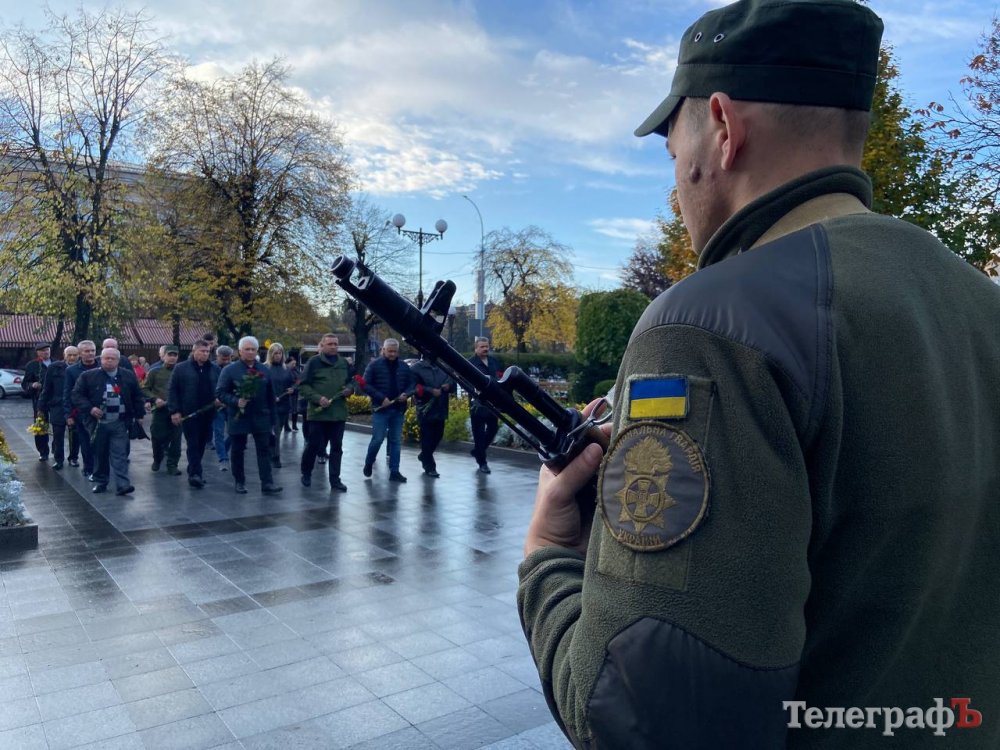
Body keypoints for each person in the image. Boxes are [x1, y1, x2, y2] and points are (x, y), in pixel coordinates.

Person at [517, 1, 1000, 748]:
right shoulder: (977, 299)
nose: (677, 183)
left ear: (721, 126)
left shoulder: (707, 325)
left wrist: (547, 559)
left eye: (672, 150)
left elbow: (647, 721)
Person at [71, 347, 144, 495]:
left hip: (120, 422)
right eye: (106, 358)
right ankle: (101, 482)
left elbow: (137, 396)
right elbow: (76, 395)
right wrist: (90, 408)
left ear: (118, 360)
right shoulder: (88, 376)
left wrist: (140, 414)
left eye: (112, 358)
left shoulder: (128, 375)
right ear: (100, 359)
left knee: (120, 453)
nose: (109, 361)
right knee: (100, 453)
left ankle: (123, 484)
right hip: (98, 423)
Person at [216, 336, 282, 495]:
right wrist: (236, 401)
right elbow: (220, 392)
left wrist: (273, 418)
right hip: (239, 416)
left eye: (253, 349)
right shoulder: (229, 370)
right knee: (238, 450)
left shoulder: (264, 369)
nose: (250, 352)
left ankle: (267, 483)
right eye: (247, 349)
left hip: (261, 416)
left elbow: (270, 395)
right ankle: (239, 481)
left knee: (264, 450)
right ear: (240, 351)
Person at [298, 334, 353, 492]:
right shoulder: (313, 362)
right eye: (330, 344)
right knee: (314, 445)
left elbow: (352, 381)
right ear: (322, 346)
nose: (334, 347)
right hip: (319, 413)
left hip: (338, 413)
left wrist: (350, 389)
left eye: (336, 344)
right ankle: (306, 473)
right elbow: (303, 385)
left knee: (337, 447)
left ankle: (335, 480)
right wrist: (317, 398)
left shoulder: (343, 363)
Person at [168, 339, 220, 489]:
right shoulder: (181, 368)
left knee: (202, 443)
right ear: (194, 351)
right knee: (193, 443)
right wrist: (174, 411)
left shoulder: (214, 369)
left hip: (208, 412)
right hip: (189, 413)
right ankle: (195, 474)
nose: (205, 354)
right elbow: (173, 390)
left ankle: (193, 468)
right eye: (202, 351)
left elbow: (220, 387)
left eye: (207, 351)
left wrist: (220, 399)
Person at [361, 338, 413, 482]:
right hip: (381, 409)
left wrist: (407, 394)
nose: (392, 354)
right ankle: (369, 462)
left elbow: (412, 384)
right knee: (377, 439)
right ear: (383, 350)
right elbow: (365, 385)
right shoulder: (374, 365)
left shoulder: (404, 366)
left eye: (395, 351)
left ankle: (394, 471)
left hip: (398, 408)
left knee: (396, 440)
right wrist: (381, 398)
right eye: (389, 351)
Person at [410, 355, 453, 478]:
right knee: (427, 438)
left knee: (438, 434)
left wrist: (449, 387)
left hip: (440, 407)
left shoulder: (443, 367)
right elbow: (413, 387)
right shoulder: (416, 368)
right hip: (425, 409)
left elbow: (452, 384)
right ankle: (429, 466)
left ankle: (424, 455)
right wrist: (430, 390)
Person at [142, 346, 182, 475]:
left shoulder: (181, 372)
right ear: (163, 356)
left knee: (176, 439)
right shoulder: (154, 372)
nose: (172, 357)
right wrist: (154, 399)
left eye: (175, 355)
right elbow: (145, 388)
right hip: (160, 410)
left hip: (177, 410)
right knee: (157, 436)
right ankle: (157, 459)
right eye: (170, 355)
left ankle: (172, 465)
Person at [38, 345, 77, 470]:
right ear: (64, 355)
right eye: (69, 355)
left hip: (74, 406)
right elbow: (46, 388)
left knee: (74, 435)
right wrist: (41, 407)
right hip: (57, 405)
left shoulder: (80, 369)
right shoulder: (54, 367)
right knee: (58, 434)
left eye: (75, 355)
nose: (72, 357)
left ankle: (73, 458)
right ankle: (59, 459)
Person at [64, 340, 100, 477]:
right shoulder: (71, 371)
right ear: (80, 353)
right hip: (81, 412)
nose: (90, 353)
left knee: (101, 441)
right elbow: (67, 393)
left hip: (101, 411)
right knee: (85, 442)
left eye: (93, 350)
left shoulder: (102, 366)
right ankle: (88, 467)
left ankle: (101, 467)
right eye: (87, 351)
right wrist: (68, 415)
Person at [467, 337, 502, 474]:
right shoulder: (470, 363)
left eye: (486, 346)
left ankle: (478, 451)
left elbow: (499, 377)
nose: (485, 349)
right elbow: (465, 380)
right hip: (477, 403)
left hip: (492, 402)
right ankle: (482, 462)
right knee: (479, 434)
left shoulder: (493, 361)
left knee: (493, 428)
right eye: (482, 347)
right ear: (476, 348)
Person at [264, 342, 295, 468]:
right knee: (272, 432)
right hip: (268, 407)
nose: (277, 355)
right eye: (275, 353)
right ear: (270, 354)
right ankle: (274, 456)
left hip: (283, 405)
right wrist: (271, 397)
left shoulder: (286, 369)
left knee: (277, 431)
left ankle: (273, 454)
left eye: (280, 353)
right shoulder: (264, 368)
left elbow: (293, 384)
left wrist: (292, 389)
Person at [22, 343, 52, 461]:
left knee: (58, 425)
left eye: (47, 350)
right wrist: (32, 385)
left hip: (55, 399)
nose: (46, 352)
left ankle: (57, 449)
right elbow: (25, 384)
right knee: (41, 425)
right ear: (38, 352)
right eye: (43, 350)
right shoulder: (32, 365)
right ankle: (43, 451)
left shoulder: (57, 363)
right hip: (40, 400)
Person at [211, 345, 234, 471]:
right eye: (223, 359)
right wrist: (214, 399)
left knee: (234, 431)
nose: (226, 362)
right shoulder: (211, 368)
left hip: (231, 404)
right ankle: (223, 458)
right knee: (218, 432)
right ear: (217, 356)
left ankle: (223, 449)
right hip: (217, 405)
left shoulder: (234, 368)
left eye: (228, 359)